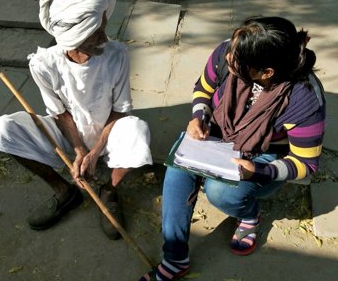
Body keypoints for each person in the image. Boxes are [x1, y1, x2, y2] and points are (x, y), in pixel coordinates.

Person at [139, 16, 325, 280]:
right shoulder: (230, 51)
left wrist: (259, 171)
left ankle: (249, 215)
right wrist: (199, 116)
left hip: (265, 156)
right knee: (177, 167)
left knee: (221, 192)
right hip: (217, 135)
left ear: (267, 73)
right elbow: (202, 89)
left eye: (237, 60)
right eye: (231, 50)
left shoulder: (303, 98)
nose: (227, 57)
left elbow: (306, 164)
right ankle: (175, 258)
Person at [0, 0, 152, 240]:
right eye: (94, 34)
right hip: (68, 133)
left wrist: (95, 151)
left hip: (108, 133)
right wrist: (78, 151)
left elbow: (120, 110)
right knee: (2, 130)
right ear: (72, 41)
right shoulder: (43, 64)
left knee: (138, 132)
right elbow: (59, 114)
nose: (103, 38)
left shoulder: (116, 54)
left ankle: (109, 191)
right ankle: (64, 191)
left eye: (102, 27)